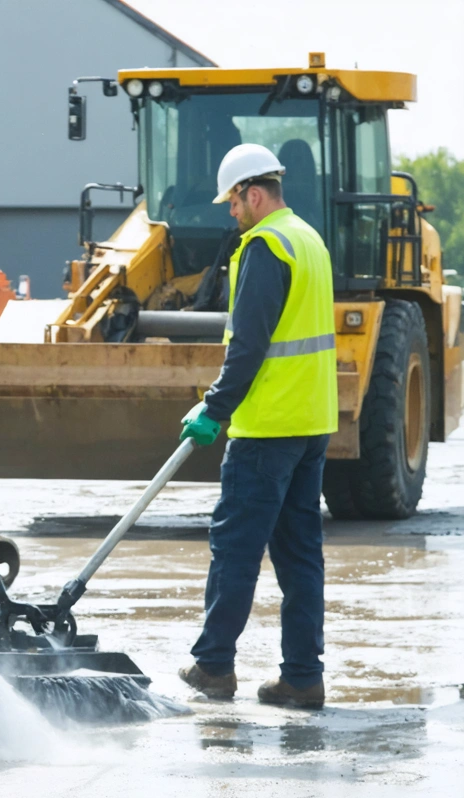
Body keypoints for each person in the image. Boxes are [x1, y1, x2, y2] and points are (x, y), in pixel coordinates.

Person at [178, 143, 337, 709]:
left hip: (267, 427)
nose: (231, 213)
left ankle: (214, 666)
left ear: (252, 193)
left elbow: (249, 343)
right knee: (300, 558)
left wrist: (214, 408)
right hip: (311, 423)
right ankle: (302, 677)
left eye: (233, 202)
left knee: (235, 550)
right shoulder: (308, 239)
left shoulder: (267, 245)